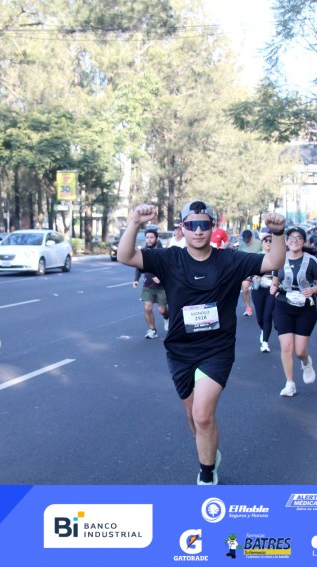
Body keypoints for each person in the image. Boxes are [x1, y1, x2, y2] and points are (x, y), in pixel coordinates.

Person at [117, 200, 287, 485]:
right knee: (193, 416)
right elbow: (125, 256)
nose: (198, 231)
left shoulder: (230, 260)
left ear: (212, 227)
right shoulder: (170, 258)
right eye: (192, 225)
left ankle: (206, 475)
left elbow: (273, 262)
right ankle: (209, 452)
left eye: (204, 225)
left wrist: (279, 233)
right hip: (180, 350)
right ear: (182, 228)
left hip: (216, 349)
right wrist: (135, 221)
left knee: (203, 415)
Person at [270, 227, 317, 397]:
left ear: (304, 241)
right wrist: (273, 287)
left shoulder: (311, 261)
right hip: (283, 305)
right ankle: (290, 383)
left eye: (299, 238)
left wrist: (313, 290)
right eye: (291, 238)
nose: (295, 241)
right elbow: (275, 280)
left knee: (300, 351)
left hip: (305, 308)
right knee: (286, 347)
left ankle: (306, 362)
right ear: (286, 241)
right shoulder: (279, 258)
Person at [133, 227, 169, 338]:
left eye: (151, 237)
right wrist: (136, 279)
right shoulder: (143, 252)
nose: (149, 239)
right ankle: (152, 330)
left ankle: (166, 317)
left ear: (156, 239)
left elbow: (168, 268)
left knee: (162, 310)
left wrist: (160, 278)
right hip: (148, 285)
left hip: (162, 286)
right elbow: (138, 266)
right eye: (147, 237)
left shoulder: (162, 252)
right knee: (147, 308)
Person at [248, 232, 276, 352]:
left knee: (268, 315)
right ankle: (263, 330)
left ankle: (265, 343)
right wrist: (253, 277)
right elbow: (248, 273)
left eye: (271, 241)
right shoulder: (256, 257)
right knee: (260, 316)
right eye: (266, 240)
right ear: (262, 243)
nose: (268, 242)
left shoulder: (278, 257)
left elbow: (282, 273)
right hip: (258, 288)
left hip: (272, 289)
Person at [238, 229, 262, 316]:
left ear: (252, 237)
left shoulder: (259, 243)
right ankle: (248, 308)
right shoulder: (241, 245)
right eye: (245, 240)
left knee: (257, 289)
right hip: (246, 271)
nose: (246, 242)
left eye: (248, 240)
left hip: (257, 270)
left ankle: (261, 307)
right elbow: (239, 258)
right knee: (245, 289)